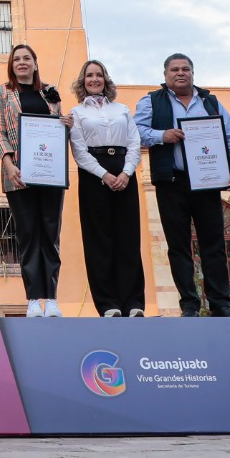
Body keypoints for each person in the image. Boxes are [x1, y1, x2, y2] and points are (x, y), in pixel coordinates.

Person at [134, 53, 230, 317]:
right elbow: (135, 131)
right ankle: (190, 305)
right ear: (165, 75)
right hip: (171, 181)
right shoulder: (151, 101)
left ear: (193, 73)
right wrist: (162, 135)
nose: (180, 73)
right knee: (178, 245)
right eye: (174, 69)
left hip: (208, 181)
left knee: (214, 244)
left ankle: (221, 304)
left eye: (186, 69)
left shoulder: (210, 101)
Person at [0, 44, 70, 317]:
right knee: (27, 235)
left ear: (35, 63)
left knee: (50, 234)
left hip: (50, 174)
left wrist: (65, 125)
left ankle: (52, 298)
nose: (22, 63)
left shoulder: (50, 93)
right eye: (17, 59)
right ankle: (34, 297)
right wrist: (8, 163)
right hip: (18, 175)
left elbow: (55, 133)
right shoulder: (1, 93)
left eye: (27, 59)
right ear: (11, 65)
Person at [67, 59, 145, 317]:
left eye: (99, 75)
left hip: (124, 172)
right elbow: (78, 150)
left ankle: (134, 303)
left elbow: (135, 142)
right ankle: (108, 303)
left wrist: (126, 172)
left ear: (106, 79)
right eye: (89, 75)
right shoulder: (76, 113)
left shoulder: (122, 109)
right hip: (94, 175)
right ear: (83, 81)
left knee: (128, 238)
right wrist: (104, 174)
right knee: (99, 240)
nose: (94, 80)